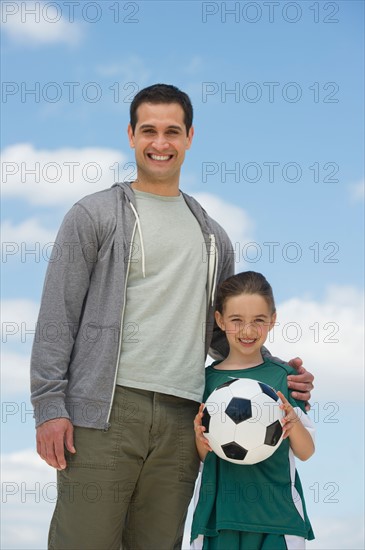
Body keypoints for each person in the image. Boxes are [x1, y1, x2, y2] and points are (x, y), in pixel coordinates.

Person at [30, 84, 314, 550]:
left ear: (189, 137)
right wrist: (49, 407)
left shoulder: (213, 237)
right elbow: (56, 317)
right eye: (149, 131)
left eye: (171, 131)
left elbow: (223, 334)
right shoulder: (93, 215)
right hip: (105, 411)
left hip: (185, 417)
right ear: (130, 135)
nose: (159, 143)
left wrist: (278, 373)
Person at [191, 271, 315, 550]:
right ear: (220, 320)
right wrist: (199, 439)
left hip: (278, 519)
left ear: (272, 320)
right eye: (237, 321)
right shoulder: (204, 382)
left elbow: (306, 452)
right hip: (217, 520)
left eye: (258, 320)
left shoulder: (285, 377)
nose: (248, 331)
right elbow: (201, 460)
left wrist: (294, 424)